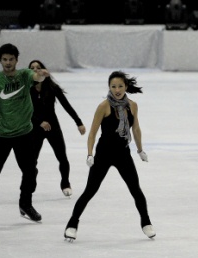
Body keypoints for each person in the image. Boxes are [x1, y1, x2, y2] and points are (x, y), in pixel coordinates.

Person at [64, 71, 154, 241]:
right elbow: (92, 133)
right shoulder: (104, 106)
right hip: (104, 154)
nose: (117, 89)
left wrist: (140, 150)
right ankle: (72, 224)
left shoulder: (132, 105)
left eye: (120, 86)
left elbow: (135, 129)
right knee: (90, 191)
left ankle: (146, 222)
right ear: (109, 87)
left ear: (126, 86)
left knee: (136, 189)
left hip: (123, 154)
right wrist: (90, 154)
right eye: (113, 86)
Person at [0, 43, 50, 222]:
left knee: (30, 172)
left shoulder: (24, 75)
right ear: (0, 60)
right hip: (1, 135)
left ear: (17, 60)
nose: (8, 62)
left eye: (11, 59)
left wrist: (40, 75)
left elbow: (36, 77)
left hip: (24, 134)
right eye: (5, 59)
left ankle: (25, 204)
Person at [28, 60, 86, 198]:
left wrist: (79, 122)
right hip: (36, 128)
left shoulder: (52, 88)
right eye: (32, 68)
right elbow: (24, 111)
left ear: (44, 70)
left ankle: (65, 183)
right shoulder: (27, 89)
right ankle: (31, 180)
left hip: (53, 127)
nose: (35, 70)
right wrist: (39, 122)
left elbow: (66, 105)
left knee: (62, 157)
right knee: (31, 160)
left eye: (38, 67)